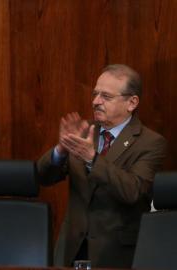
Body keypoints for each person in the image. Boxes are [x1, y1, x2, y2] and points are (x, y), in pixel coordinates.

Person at [37, 64, 167, 268]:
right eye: (95, 94)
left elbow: (133, 190)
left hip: (115, 254)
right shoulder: (83, 131)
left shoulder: (150, 142)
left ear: (131, 102)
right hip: (71, 250)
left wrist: (92, 159)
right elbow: (43, 177)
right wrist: (61, 150)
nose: (95, 101)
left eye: (106, 97)